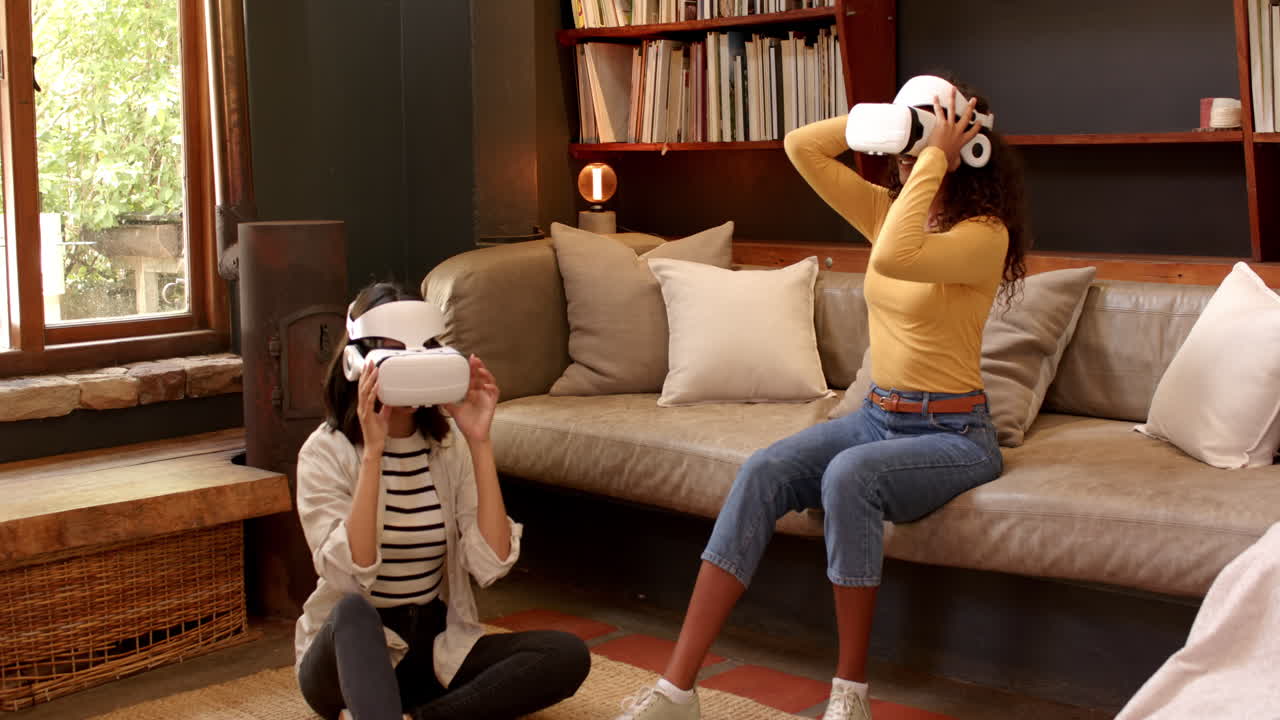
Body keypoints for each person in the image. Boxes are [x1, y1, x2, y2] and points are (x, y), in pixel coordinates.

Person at [615, 77, 1029, 720]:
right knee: (763, 469)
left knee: (849, 477)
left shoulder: (984, 233)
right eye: (908, 145)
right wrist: (896, 120)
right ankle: (677, 690)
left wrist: (939, 153)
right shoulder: (898, 207)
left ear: (971, 144)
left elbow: (896, 254)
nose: (906, 160)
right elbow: (801, 147)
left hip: (952, 436)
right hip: (876, 416)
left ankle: (849, 698)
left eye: (922, 142)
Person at [293, 282, 590, 720]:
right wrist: (374, 453)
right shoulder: (324, 452)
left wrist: (479, 441)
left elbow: (491, 561)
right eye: (394, 354)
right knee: (353, 610)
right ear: (358, 363)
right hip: (347, 654)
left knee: (565, 654)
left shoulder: (447, 448)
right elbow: (348, 571)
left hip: (431, 648)